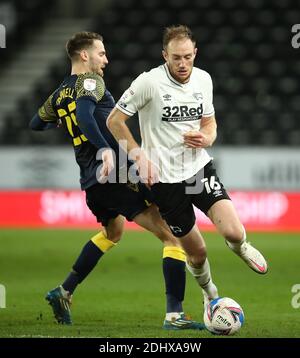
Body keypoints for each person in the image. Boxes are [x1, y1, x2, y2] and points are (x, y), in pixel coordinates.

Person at [29, 31, 205, 330]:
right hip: (114, 176)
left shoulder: (59, 93)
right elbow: (85, 116)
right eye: (101, 53)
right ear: (84, 56)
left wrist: (60, 119)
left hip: (91, 183)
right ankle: (175, 314)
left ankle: (64, 290)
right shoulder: (91, 82)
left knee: (113, 233)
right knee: (172, 236)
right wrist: (104, 151)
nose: (106, 60)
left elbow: (36, 123)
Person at [107, 25, 268, 305]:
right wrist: (136, 154)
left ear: (195, 53)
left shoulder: (204, 80)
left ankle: (241, 245)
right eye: (175, 58)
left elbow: (210, 122)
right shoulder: (148, 82)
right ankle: (211, 296)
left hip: (197, 170)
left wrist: (207, 137)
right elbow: (114, 121)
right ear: (164, 56)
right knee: (197, 253)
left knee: (232, 231)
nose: (182, 64)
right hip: (165, 183)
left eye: (187, 57)